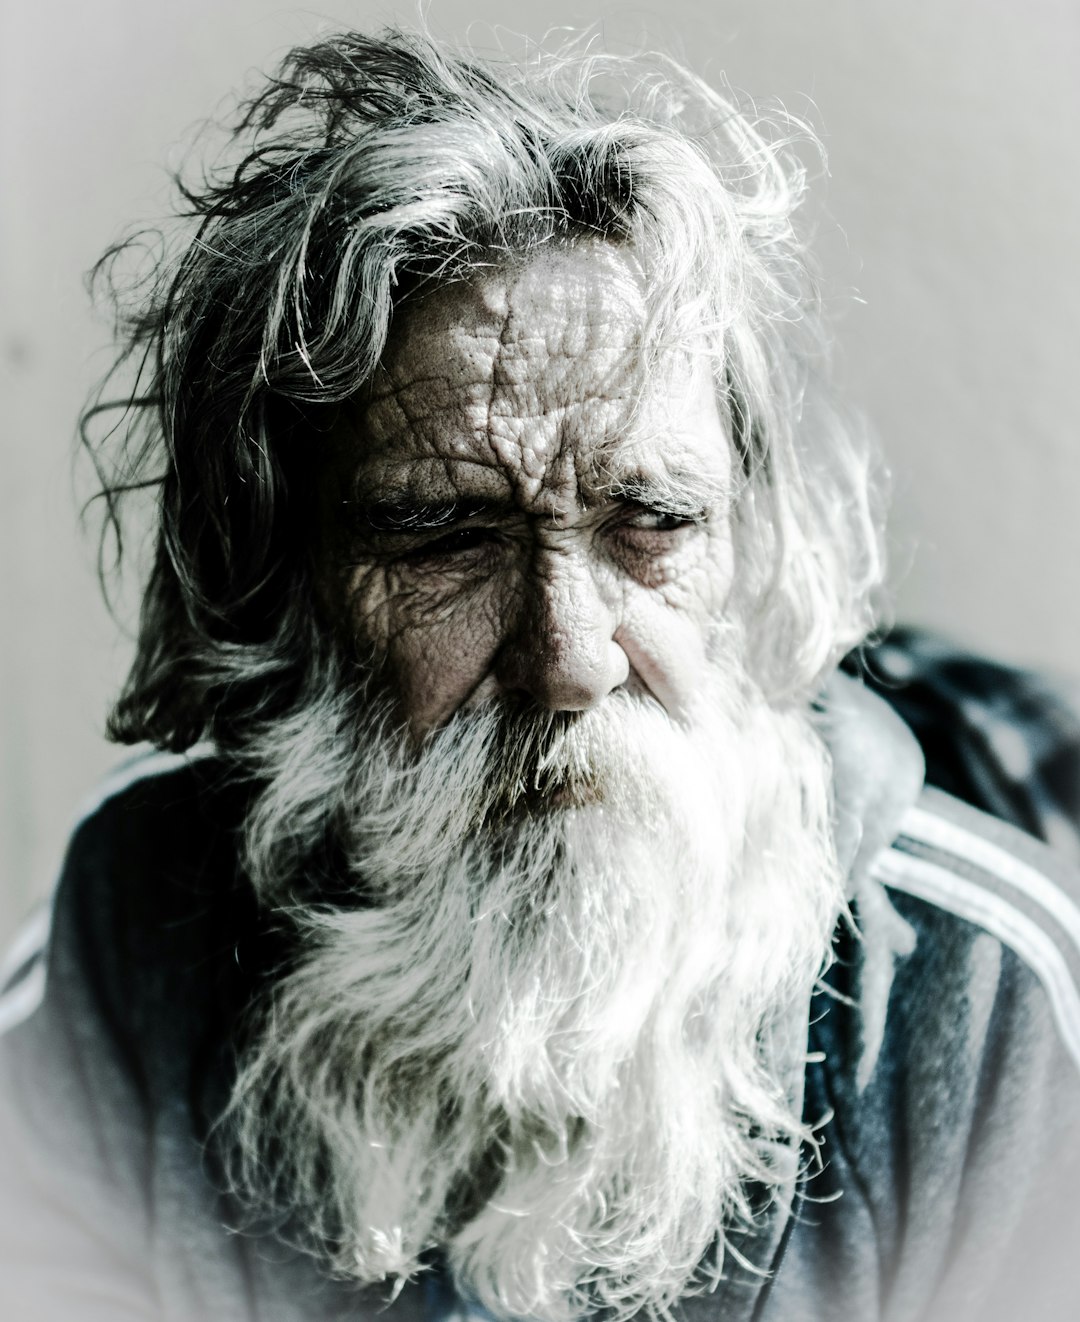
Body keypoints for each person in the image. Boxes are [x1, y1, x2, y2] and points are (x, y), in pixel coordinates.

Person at [1, 26, 1078, 1322]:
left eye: (653, 524)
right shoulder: (131, 935)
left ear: (747, 550)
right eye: (448, 535)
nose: (567, 656)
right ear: (296, 587)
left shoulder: (977, 991)